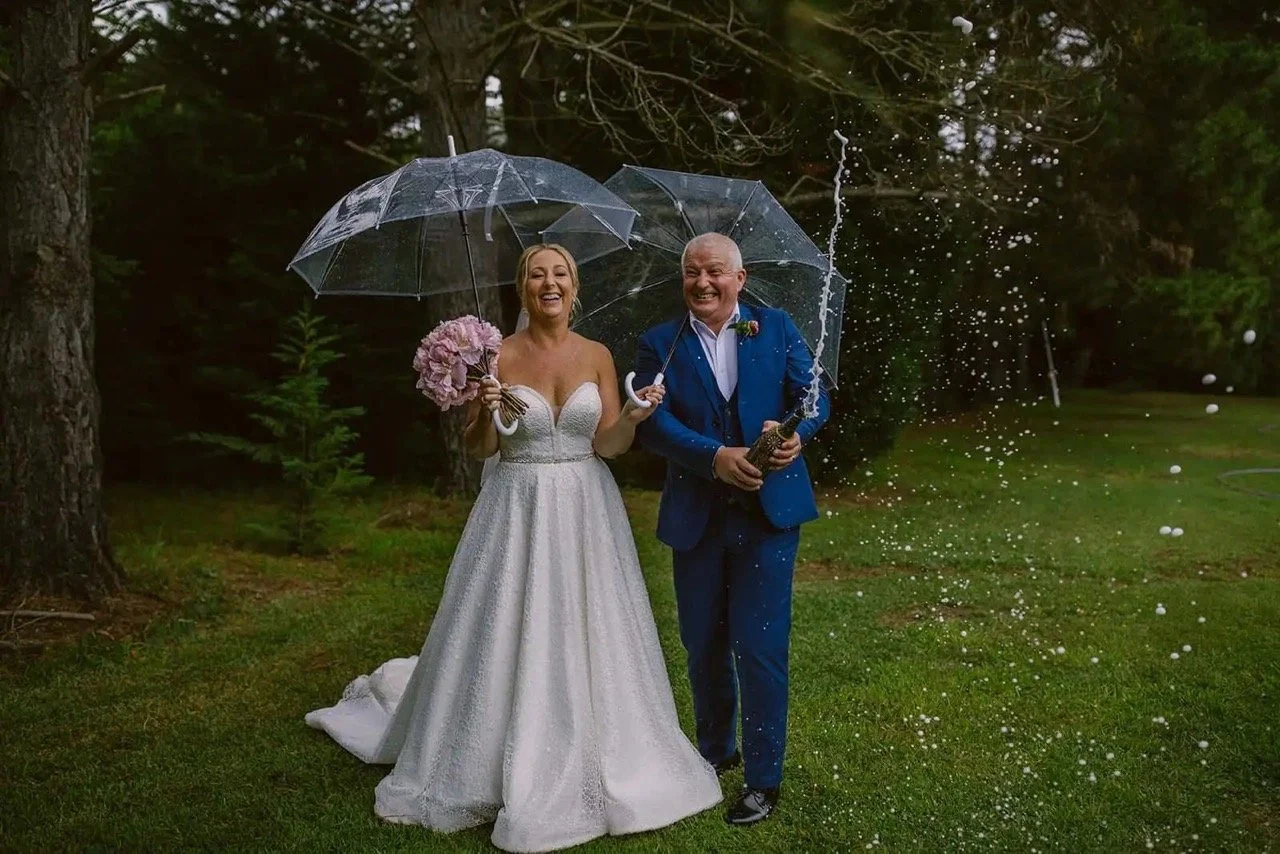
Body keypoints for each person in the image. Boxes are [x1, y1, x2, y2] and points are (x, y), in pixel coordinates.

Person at [306, 244, 721, 853]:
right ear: (523, 289)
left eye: (559, 274)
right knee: (508, 624)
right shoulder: (495, 354)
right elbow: (480, 450)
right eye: (536, 274)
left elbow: (606, 445)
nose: (548, 283)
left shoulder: (599, 355)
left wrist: (631, 415)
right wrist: (482, 409)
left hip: (585, 507)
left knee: (590, 625)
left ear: (573, 288)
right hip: (516, 505)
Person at [632, 232, 831, 826]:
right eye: (692, 272)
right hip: (697, 518)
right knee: (703, 644)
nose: (702, 282)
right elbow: (651, 424)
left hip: (769, 519)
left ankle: (763, 780)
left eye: (715, 271)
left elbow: (814, 395)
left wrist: (801, 431)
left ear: (740, 279)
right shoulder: (659, 344)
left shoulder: (775, 327)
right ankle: (715, 752)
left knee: (761, 647)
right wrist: (714, 456)